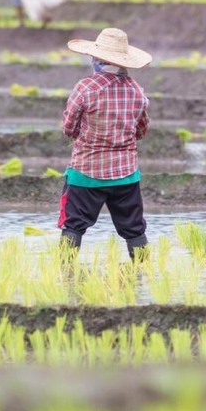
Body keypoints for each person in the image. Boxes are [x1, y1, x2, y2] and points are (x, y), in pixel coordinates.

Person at [59, 28, 152, 261]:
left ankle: (64, 271)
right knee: (134, 229)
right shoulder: (136, 92)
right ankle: (143, 275)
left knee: (73, 226)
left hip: (86, 171)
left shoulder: (86, 88)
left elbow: (68, 128)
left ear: (98, 59)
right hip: (126, 174)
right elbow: (141, 130)